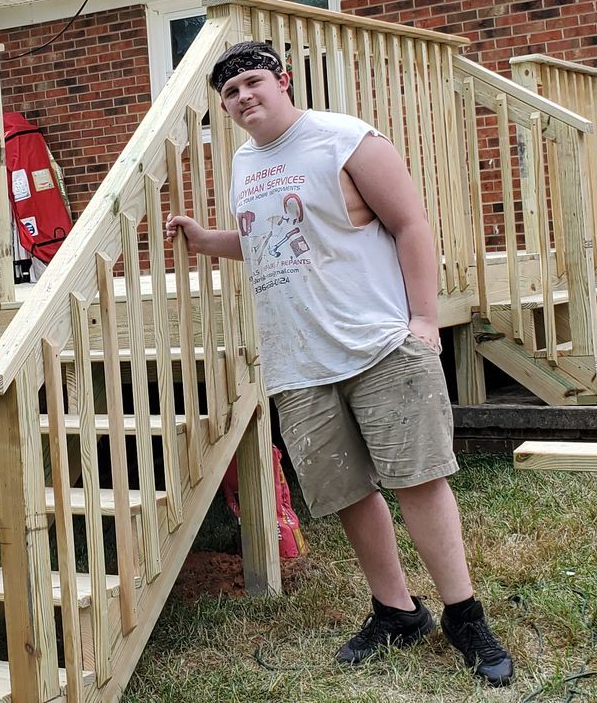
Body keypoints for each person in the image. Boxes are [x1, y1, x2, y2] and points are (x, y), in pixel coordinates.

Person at [166, 42, 514, 684]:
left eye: (252, 83)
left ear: (282, 81)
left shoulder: (343, 138)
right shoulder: (244, 162)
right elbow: (269, 240)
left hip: (378, 344)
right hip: (299, 361)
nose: (243, 98)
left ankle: (464, 615)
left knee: (417, 480)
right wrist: (210, 241)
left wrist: (423, 321)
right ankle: (396, 610)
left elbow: (411, 223)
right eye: (230, 93)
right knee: (347, 492)